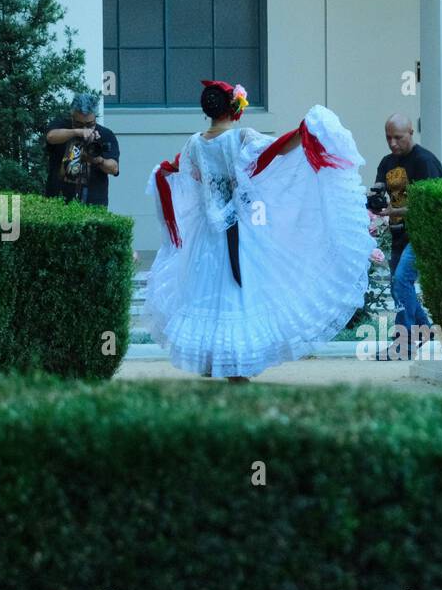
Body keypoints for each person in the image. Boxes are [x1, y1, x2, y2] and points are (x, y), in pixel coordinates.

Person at [146, 80, 371, 383]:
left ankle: (213, 360)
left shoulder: (194, 143)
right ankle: (236, 363)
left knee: (208, 294)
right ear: (234, 108)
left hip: (207, 233)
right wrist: (308, 128)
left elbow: (181, 171)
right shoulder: (240, 138)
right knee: (238, 294)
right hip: (239, 229)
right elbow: (279, 148)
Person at [374, 114, 442, 353]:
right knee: (398, 286)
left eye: (398, 138)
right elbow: (379, 192)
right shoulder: (386, 163)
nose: (393, 143)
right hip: (398, 235)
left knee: (402, 279)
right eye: (388, 137)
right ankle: (426, 331)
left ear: (411, 133)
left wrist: (398, 209)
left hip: (422, 233)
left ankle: (404, 343)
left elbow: (433, 204)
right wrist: (374, 207)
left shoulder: (425, 162)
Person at [45, 93, 120, 206]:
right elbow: (51, 137)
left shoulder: (105, 134)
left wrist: (96, 159)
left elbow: (114, 168)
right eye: (79, 124)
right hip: (58, 201)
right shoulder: (62, 124)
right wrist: (76, 132)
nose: (85, 128)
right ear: (72, 116)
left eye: (90, 124)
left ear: (95, 117)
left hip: (93, 203)